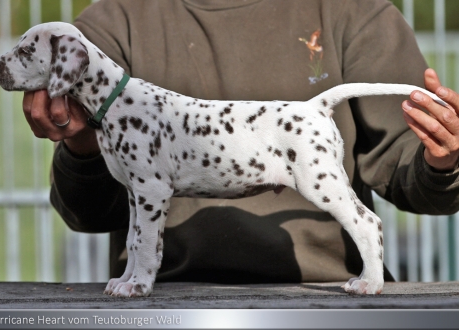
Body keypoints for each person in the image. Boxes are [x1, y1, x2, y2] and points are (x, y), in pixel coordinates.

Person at [23, 0, 459, 283]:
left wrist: (444, 159)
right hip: (170, 302)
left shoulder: (355, 12)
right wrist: (81, 145)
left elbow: (412, 173)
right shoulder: (109, 24)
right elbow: (87, 212)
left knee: (335, 197)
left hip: (323, 294)